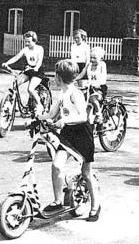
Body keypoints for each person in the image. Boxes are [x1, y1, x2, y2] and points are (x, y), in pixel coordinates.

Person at [38, 59, 100, 221]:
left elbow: (82, 115)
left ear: (59, 77)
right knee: (57, 165)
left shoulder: (74, 93)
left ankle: (95, 206)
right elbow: (51, 114)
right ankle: (58, 201)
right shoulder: (62, 93)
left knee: (86, 173)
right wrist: (38, 118)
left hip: (82, 134)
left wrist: (63, 121)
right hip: (68, 133)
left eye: (55, 75)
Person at [1, 31, 45, 115]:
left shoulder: (39, 49)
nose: (27, 43)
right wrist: (7, 63)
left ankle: (39, 105)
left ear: (34, 40)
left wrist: (36, 68)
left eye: (29, 41)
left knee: (30, 89)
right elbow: (16, 57)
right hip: (28, 70)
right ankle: (14, 105)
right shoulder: (25, 49)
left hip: (37, 72)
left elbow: (39, 61)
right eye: (25, 41)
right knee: (15, 84)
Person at [86, 46, 107, 124]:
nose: (92, 60)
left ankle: (99, 114)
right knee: (86, 104)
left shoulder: (102, 65)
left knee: (92, 99)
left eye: (94, 58)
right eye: (91, 57)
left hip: (100, 88)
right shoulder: (89, 65)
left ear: (100, 58)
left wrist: (97, 84)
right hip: (91, 88)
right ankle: (86, 122)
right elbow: (86, 76)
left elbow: (103, 78)